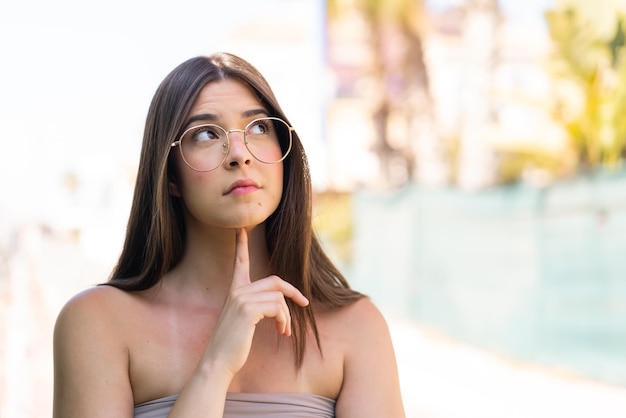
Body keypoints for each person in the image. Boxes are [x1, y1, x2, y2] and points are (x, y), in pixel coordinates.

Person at [53, 52, 405, 418]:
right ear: (170, 175)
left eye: (258, 128)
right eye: (205, 134)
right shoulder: (97, 323)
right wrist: (216, 364)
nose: (239, 154)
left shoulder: (357, 327)